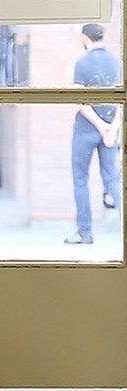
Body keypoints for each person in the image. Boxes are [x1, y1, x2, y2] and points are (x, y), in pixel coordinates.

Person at [67, 22, 122, 244]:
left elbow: (79, 100)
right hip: (110, 130)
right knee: (113, 179)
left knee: (81, 179)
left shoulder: (82, 63)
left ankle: (84, 232)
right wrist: (112, 128)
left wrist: (99, 125)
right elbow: (122, 100)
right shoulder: (116, 63)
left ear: (84, 38)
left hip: (85, 130)